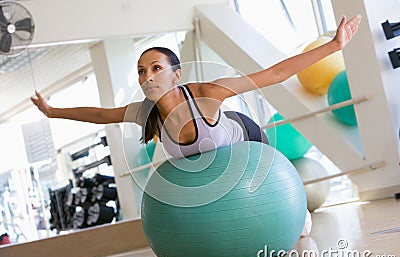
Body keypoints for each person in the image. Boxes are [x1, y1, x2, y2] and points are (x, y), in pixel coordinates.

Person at [31, 14, 362, 158]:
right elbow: (100, 115)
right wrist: (51, 111)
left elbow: (272, 75)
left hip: (246, 139)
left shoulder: (205, 94)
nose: (147, 76)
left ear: (176, 75)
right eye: (142, 71)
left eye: (156, 68)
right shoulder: (146, 114)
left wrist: (333, 46)